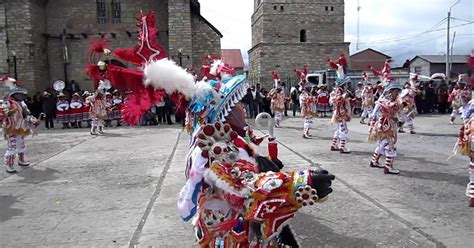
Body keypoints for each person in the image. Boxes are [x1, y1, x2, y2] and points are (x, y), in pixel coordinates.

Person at [0, 78, 40, 173]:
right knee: (12, 147)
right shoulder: (7, 103)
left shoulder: (22, 104)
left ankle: (21, 160)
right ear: (15, 95)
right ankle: (9, 165)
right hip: (11, 128)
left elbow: (26, 115)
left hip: (21, 127)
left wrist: (34, 121)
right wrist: (8, 113)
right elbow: (3, 113)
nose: (22, 96)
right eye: (20, 94)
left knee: (21, 145)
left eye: (22, 94)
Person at [368, 80, 403, 175]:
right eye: (396, 91)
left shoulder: (392, 101)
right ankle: (388, 167)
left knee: (383, 144)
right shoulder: (384, 101)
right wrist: (372, 121)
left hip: (387, 124)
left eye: (398, 91)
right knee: (390, 145)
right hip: (385, 125)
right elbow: (375, 112)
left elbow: (396, 112)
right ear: (391, 91)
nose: (397, 93)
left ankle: (374, 161)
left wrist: (398, 119)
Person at [328, 55, 352, 153]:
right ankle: (342, 147)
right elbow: (336, 100)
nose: (347, 85)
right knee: (344, 130)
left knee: (338, 129)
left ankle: (334, 145)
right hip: (341, 113)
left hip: (337, 112)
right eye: (346, 84)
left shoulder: (336, 91)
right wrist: (344, 97)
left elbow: (332, 100)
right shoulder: (340, 92)